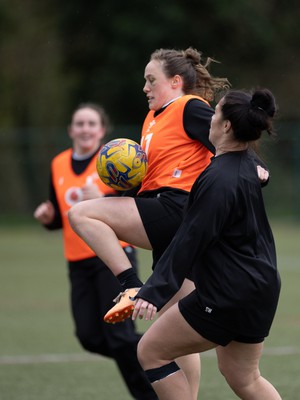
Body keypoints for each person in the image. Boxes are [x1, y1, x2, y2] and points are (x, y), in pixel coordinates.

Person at [68, 48, 269, 399]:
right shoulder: (153, 119)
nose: (145, 87)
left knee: (82, 214)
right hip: (166, 216)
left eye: (151, 80)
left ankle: (130, 283)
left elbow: (229, 140)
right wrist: (122, 182)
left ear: (175, 82)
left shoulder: (188, 107)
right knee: (175, 328)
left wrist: (254, 166)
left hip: (174, 209)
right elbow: (152, 175)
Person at [132, 88, 282, 400]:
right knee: (244, 377)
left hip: (229, 293)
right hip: (261, 287)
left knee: (151, 351)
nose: (210, 118)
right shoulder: (243, 167)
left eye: (215, 113)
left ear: (226, 126)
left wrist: (155, 290)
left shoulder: (218, 179)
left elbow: (190, 239)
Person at [33, 103, 158, 400]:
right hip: (77, 262)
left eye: (91, 124)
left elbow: (131, 207)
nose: (85, 129)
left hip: (112, 260)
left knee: (118, 339)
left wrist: (101, 198)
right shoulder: (58, 163)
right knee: (89, 337)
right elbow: (61, 216)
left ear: (102, 130)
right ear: (71, 130)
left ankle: (152, 390)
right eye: (79, 123)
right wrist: (48, 218)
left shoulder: (116, 161)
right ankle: (156, 351)